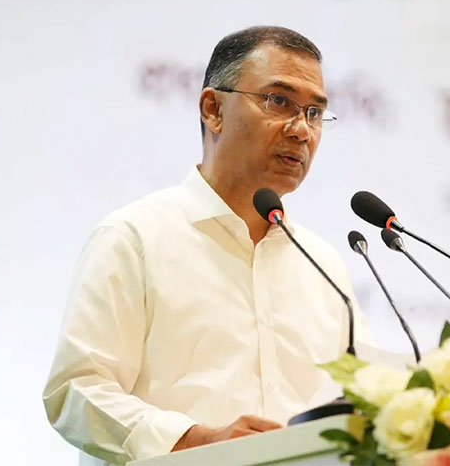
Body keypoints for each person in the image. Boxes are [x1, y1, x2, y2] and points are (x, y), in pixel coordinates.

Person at [42, 26, 373, 466]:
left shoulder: (323, 266)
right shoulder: (134, 238)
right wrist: (195, 441)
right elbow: (76, 392)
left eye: (314, 113)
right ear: (213, 109)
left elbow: (367, 403)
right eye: (279, 102)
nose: (301, 130)